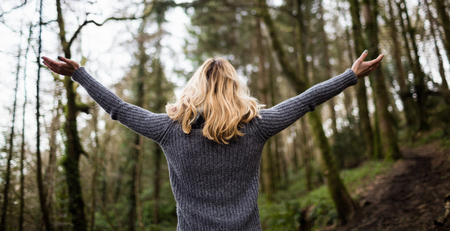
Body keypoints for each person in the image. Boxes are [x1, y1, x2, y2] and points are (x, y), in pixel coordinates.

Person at [41, 51, 383, 231]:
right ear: (235, 87)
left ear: (195, 86)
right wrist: (350, 76)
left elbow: (118, 108)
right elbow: (305, 100)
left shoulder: (169, 129)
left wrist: (79, 74)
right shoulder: (257, 126)